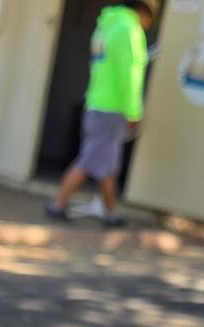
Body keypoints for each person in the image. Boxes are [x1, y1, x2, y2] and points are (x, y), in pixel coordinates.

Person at [46, 1, 156, 228]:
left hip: (96, 102)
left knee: (107, 164)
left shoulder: (105, 27)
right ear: (143, 13)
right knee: (89, 161)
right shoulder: (129, 31)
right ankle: (58, 204)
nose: (146, 26)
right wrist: (134, 111)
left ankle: (110, 213)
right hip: (112, 107)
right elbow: (129, 75)